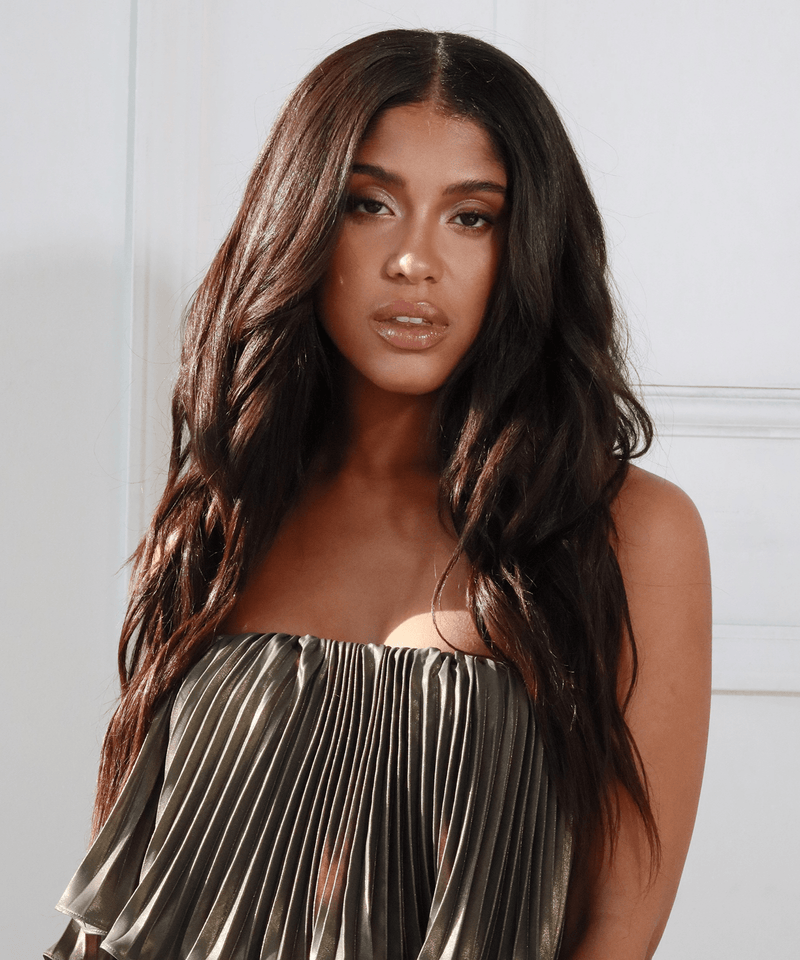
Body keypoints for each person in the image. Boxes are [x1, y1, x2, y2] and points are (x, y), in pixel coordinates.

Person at [46, 28, 711, 960]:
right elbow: (127, 888)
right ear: (305, 222)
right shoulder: (229, 510)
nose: (413, 261)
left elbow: (620, 929)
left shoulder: (629, 530)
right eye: (370, 204)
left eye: (471, 217)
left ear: (527, 246)